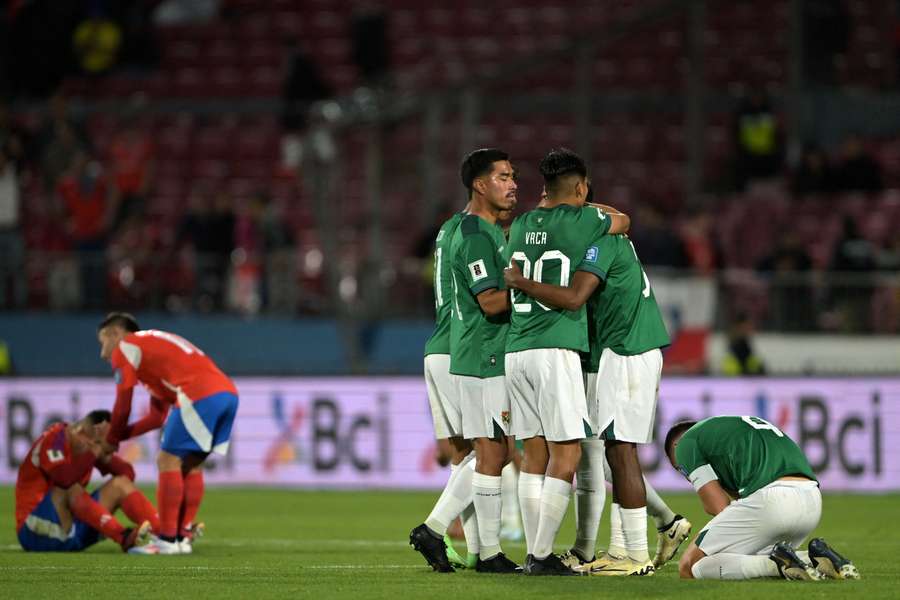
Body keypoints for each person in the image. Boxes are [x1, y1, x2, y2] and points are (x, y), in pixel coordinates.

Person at [504, 197, 671, 576]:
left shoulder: (600, 240)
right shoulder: (599, 231)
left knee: (620, 451)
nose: (546, 209)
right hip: (618, 350)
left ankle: (636, 555)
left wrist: (523, 283)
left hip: (628, 350)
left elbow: (576, 296)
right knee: (610, 452)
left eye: (552, 201)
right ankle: (617, 549)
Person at [503, 148, 629, 576]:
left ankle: (534, 552)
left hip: (516, 350)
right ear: (580, 188)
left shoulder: (519, 224)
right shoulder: (585, 220)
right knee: (568, 453)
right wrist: (582, 200)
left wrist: (556, 199)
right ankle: (540, 557)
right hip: (554, 348)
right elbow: (624, 220)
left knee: (532, 453)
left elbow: (545, 215)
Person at [410, 149, 519, 574]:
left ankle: (477, 550)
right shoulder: (478, 233)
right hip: (463, 347)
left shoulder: (450, 228)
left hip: (442, 343)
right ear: (480, 184)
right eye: (504, 177)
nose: (513, 185)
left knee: (470, 455)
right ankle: (441, 531)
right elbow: (488, 299)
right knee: (492, 451)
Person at [97, 312, 239, 555]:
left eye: (103, 343)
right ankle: (181, 537)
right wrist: (120, 437)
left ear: (115, 333)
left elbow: (123, 404)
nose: (104, 353)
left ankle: (166, 540)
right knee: (189, 465)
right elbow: (156, 417)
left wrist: (111, 439)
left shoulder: (125, 347)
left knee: (167, 460)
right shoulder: (150, 350)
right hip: (227, 394)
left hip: (199, 393)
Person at [664, 416, 860, 581]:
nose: (686, 475)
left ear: (676, 445)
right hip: (812, 501)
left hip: (773, 502)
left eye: (680, 468)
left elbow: (718, 506)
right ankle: (813, 558)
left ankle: (776, 565)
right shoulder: (727, 431)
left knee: (690, 565)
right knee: (745, 554)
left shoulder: (685, 443)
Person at [15, 409, 157, 553]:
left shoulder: (89, 447)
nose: (114, 444)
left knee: (120, 484)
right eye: (111, 438)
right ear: (95, 432)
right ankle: (123, 537)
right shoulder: (55, 439)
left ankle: (164, 534)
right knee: (69, 487)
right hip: (35, 531)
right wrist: (94, 452)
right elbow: (63, 479)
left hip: (71, 532)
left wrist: (105, 457)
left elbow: (128, 474)